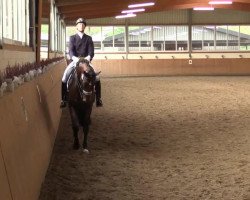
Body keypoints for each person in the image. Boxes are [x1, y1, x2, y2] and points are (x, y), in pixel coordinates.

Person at [60, 18, 103, 108]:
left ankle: (98, 99)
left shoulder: (88, 38)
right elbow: (71, 51)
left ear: (85, 26)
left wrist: (87, 58)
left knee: (97, 77)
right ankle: (63, 99)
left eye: (83, 24)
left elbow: (91, 52)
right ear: (76, 26)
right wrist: (75, 59)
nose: (81, 25)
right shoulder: (72, 38)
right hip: (75, 61)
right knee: (64, 77)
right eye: (79, 24)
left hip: (86, 61)